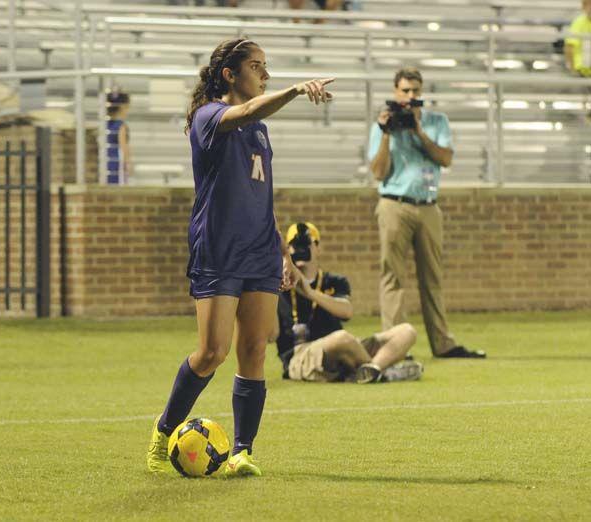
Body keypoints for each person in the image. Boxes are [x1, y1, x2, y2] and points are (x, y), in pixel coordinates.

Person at [146, 38, 335, 477]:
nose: (265, 75)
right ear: (230, 75)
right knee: (213, 351)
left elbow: (260, 195)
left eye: (267, 67)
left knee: (255, 345)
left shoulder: (260, 130)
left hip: (259, 250)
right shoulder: (209, 117)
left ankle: (241, 452)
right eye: (257, 67)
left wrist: (282, 252)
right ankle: (162, 433)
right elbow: (246, 111)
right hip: (218, 249)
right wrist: (292, 91)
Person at [368, 67, 486, 359]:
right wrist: (386, 134)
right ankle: (396, 346)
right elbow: (378, 172)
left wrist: (418, 130)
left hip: (429, 206)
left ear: (422, 93)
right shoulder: (383, 125)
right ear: (395, 92)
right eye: (405, 91)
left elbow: (445, 159)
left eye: (415, 91)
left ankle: (443, 344)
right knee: (392, 277)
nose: (410, 96)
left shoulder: (436, 121)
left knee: (432, 277)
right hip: (394, 203)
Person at [272, 222, 421, 384]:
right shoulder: (281, 284)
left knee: (407, 331)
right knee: (343, 338)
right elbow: (271, 334)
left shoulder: (335, 281)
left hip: (346, 348)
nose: (300, 250)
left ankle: (373, 369)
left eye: (306, 244)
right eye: (294, 246)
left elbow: (346, 312)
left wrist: (310, 293)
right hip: (301, 355)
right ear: (287, 250)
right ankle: (382, 371)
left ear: (318, 248)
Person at [105, 88, 131, 185]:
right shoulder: (121, 126)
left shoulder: (104, 124)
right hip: (116, 163)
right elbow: (124, 147)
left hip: (105, 161)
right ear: (122, 107)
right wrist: (128, 163)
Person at [564, 0, 591, 77]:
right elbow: (569, 47)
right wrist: (572, 70)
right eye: (587, 5)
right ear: (583, 7)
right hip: (582, 70)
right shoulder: (578, 23)